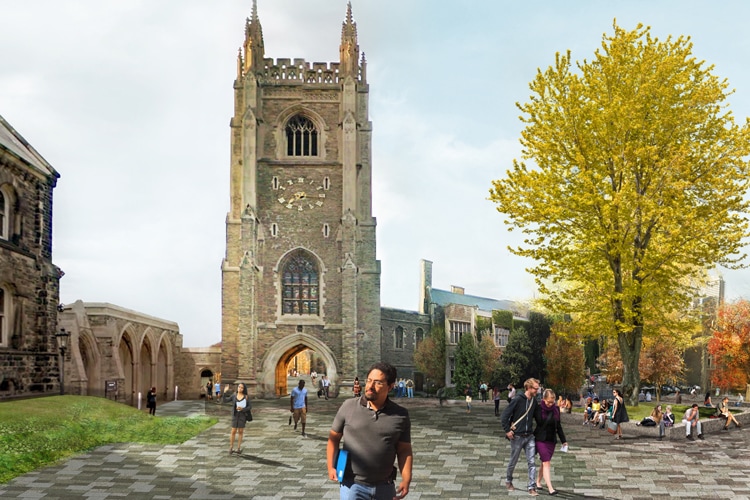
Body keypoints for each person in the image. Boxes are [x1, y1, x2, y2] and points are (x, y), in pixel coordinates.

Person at [326, 362, 413, 499]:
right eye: (369, 381)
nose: (370, 386)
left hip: (385, 486)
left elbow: (404, 450)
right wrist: (331, 467)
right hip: (352, 486)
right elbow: (333, 438)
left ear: (390, 386)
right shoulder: (348, 406)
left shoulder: (400, 415)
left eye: (378, 382)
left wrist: (406, 478)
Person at [501, 378, 541, 496]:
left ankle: (531, 487)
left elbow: (539, 418)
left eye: (538, 389)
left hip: (529, 437)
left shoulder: (534, 402)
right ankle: (508, 480)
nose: (537, 391)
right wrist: (507, 430)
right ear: (528, 388)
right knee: (513, 461)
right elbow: (505, 415)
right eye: (535, 388)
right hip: (517, 436)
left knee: (532, 462)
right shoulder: (518, 399)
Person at [534, 389, 567, 495]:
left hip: (551, 441)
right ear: (543, 399)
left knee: (544, 463)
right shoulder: (538, 409)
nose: (550, 404)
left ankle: (538, 481)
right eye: (548, 401)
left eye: (552, 402)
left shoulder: (556, 409)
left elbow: (559, 427)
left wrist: (564, 441)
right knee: (546, 462)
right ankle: (550, 488)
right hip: (540, 439)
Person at [229, 382, 252, 454]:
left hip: (242, 415)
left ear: (244, 389)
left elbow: (249, 407)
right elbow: (225, 400)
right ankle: (231, 447)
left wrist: (242, 409)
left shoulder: (246, 397)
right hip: (235, 415)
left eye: (242, 388)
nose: (240, 388)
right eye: (239, 387)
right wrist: (224, 392)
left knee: (240, 431)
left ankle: (238, 448)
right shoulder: (234, 395)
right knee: (233, 431)